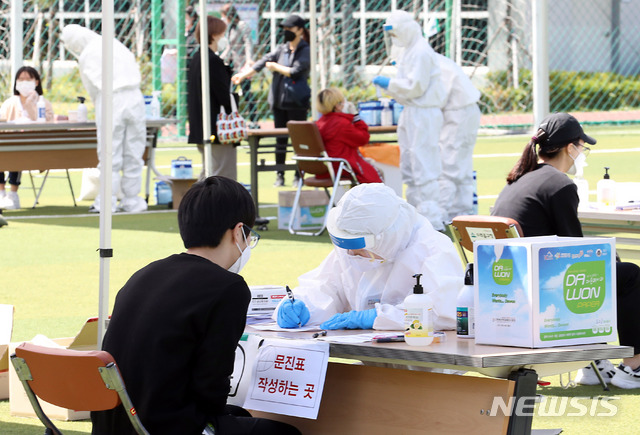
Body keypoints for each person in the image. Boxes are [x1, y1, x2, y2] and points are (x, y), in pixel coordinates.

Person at [91, 176, 301, 435]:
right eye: (250, 236)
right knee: (284, 433)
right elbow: (211, 389)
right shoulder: (228, 287)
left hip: (116, 424)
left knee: (240, 417)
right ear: (238, 231)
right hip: (167, 426)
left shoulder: (144, 274)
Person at [492, 112, 640, 389]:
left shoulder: (519, 179)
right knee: (630, 274)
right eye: (582, 147)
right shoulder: (559, 184)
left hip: (507, 285)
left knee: (612, 267)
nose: (582, 154)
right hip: (544, 286)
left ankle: (592, 361)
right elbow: (576, 250)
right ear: (570, 148)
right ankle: (634, 365)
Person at [275, 183, 462, 331]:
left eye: (358, 249)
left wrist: (378, 317)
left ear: (385, 238)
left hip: (423, 360)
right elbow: (326, 286)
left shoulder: (433, 249)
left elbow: (444, 312)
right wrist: (305, 305)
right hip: (373, 357)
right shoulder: (354, 247)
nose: (351, 254)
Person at [372, 10, 447, 230]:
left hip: (424, 113)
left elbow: (416, 87)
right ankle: (415, 215)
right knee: (409, 163)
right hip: (412, 111)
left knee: (424, 163)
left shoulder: (421, 52)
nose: (394, 38)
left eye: (395, 33)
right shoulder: (410, 51)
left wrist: (390, 84)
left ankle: (431, 217)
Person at [62, 24, 148, 213]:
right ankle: (132, 200)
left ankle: (107, 201)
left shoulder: (87, 55)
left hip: (111, 99)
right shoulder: (114, 43)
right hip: (135, 97)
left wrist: (99, 104)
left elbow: (92, 88)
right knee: (134, 151)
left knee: (110, 153)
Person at [232, 14, 310, 187]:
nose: (286, 31)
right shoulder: (281, 49)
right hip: (279, 102)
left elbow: (295, 71)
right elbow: (262, 62)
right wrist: (242, 76)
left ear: (299, 30)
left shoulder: (305, 49)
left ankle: (298, 175)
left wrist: (275, 67)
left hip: (297, 103)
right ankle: (280, 175)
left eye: (289, 28)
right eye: (285, 29)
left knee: (298, 141)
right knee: (280, 140)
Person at [187, 16, 237, 180]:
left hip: (201, 126)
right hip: (217, 127)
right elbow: (223, 95)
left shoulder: (196, 58)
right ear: (214, 35)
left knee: (207, 172)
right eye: (222, 34)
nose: (224, 37)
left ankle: (197, 197)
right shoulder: (212, 61)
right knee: (222, 174)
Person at [0, 66, 54, 210]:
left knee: (17, 152)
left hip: (35, 149)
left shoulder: (44, 103)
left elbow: (48, 126)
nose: (24, 82)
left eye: (28, 79)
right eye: (21, 79)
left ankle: (13, 194)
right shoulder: (9, 103)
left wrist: (31, 105)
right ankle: (1, 192)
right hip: (9, 146)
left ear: (36, 82)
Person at [436, 53, 482, 222]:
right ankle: (461, 216)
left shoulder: (421, 61)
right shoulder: (432, 59)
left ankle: (439, 218)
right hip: (464, 110)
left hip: (457, 113)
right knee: (461, 167)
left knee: (448, 166)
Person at [316, 88, 382, 184]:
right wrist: (356, 116)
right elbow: (363, 138)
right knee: (376, 175)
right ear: (337, 106)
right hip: (342, 166)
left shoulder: (320, 123)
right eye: (342, 101)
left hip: (325, 168)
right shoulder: (341, 124)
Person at [220, 3, 258, 128]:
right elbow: (229, 47)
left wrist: (249, 60)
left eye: (224, 16)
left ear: (228, 15)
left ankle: (254, 120)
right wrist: (219, 59)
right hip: (231, 65)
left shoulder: (242, 25)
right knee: (229, 92)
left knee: (246, 93)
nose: (223, 18)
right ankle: (232, 118)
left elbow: (248, 43)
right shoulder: (229, 28)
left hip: (242, 66)